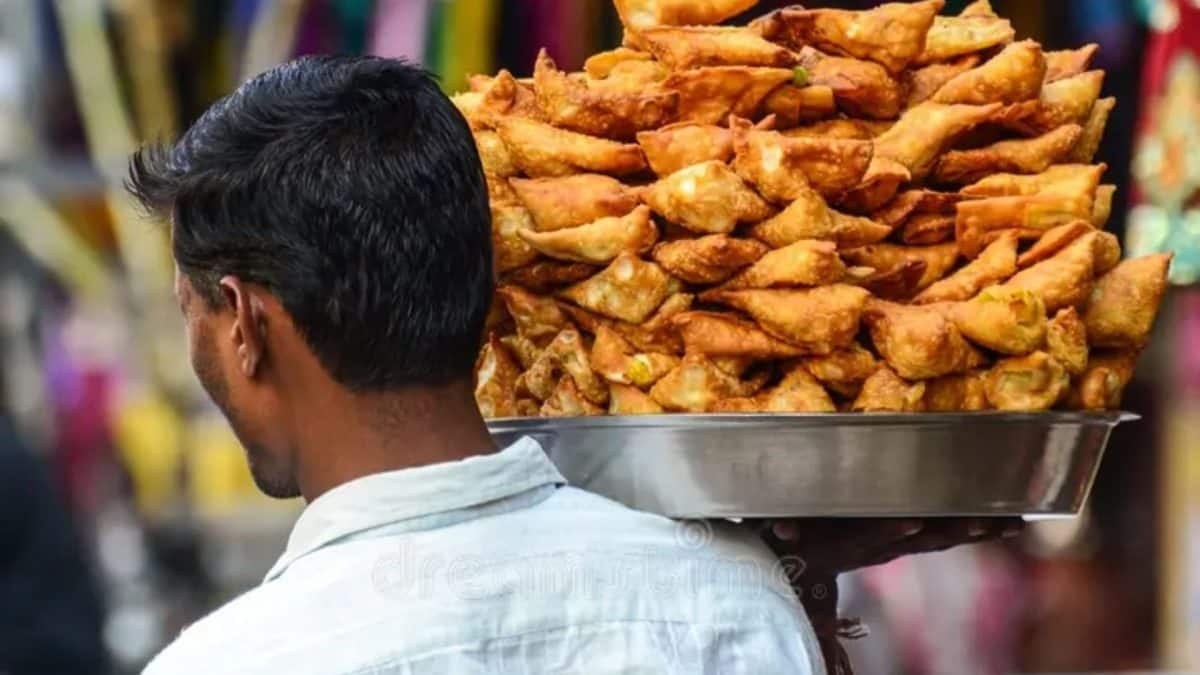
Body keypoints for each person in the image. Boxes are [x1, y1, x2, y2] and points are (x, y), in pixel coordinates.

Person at [129, 55, 826, 674]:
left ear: (244, 323)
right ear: (489, 270)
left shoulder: (227, 662)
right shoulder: (733, 605)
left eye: (190, 311)